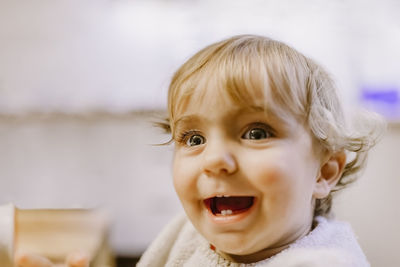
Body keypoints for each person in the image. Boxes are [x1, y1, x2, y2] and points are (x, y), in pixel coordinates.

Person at [137, 35, 383, 266]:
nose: (214, 160)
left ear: (324, 172)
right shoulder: (186, 235)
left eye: (257, 134)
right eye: (194, 139)